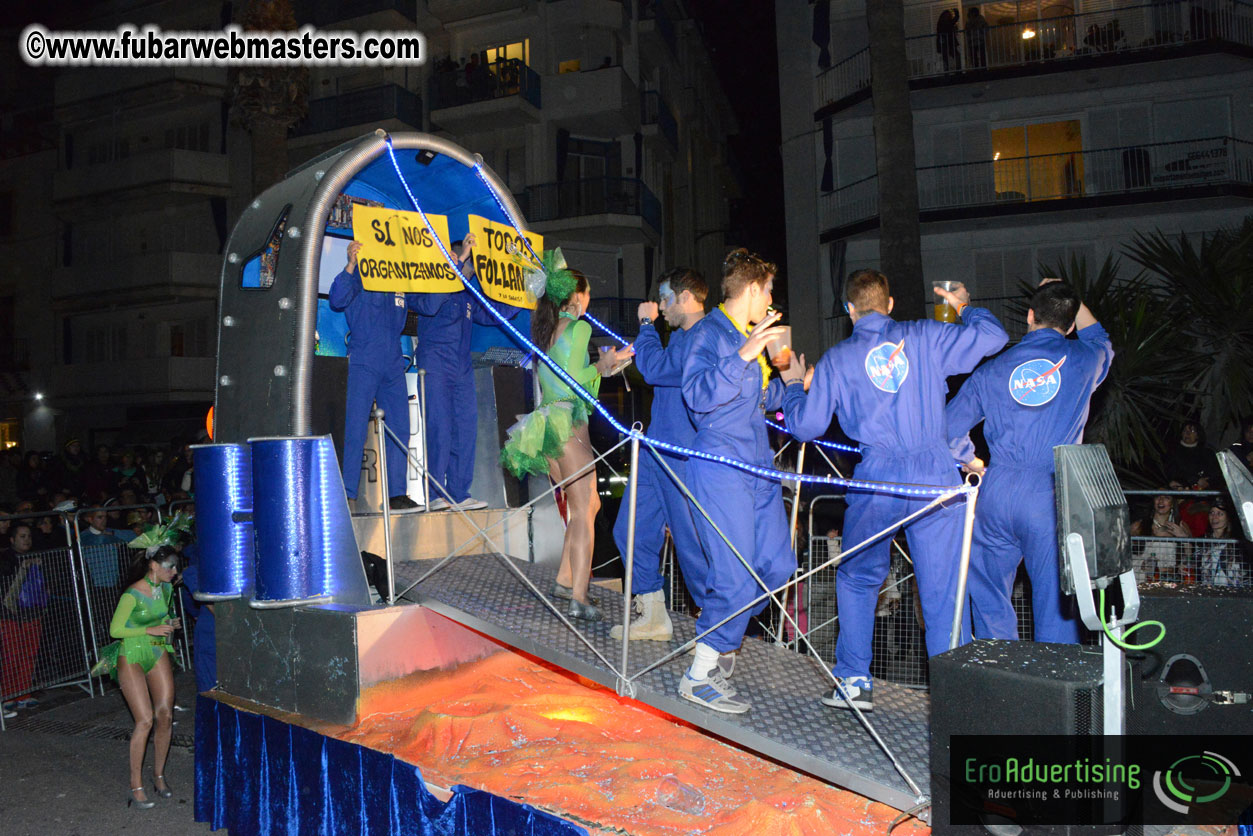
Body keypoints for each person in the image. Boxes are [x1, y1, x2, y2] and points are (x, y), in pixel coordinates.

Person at [781, 269, 1007, 711]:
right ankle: (956, 697)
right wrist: (963, 303)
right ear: (889, 304)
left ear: (849, 311)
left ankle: (854, 682)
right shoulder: (926, 334)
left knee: (858, 577)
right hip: (934, 474)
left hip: (877, 477)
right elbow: (994, 336)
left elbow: (805, 427)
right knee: (944, 590)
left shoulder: (837, 359)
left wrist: (792, 386)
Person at [945, 279, 1114, 643]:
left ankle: (1001, 680)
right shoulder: (1084, 360)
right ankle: (1052, 689)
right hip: (1051, 493)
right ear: (1069, 326)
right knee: (1056, 600)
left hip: (998, 487)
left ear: (1029, 316)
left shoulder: (994, 368)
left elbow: (949, 428)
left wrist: (970, 459)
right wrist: (1071, 298)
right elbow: (1100, 338)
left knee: (988, 593)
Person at [677, 248, 794, 715]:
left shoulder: (754, 336)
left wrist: (793, 379)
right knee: (734, 573)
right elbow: (697, 397)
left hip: (758, 465)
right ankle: (699, 675)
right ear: (751, 289)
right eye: (768, 290)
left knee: (778, 566)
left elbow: (763, 404)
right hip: (721, 464)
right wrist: (743, 355)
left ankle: (721, 641)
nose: (771, 299)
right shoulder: (709, 334)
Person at [501, 256, 631, 621]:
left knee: (586, 507)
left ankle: (564, 580)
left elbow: (562, 379)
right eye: (587, 293)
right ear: (578, 296)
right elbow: (577, 382)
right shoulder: (578, 329)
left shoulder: (546, 331)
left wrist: (599, 372)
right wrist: (604, 367)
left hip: (546, 427)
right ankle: (579, 596)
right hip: (569, 426)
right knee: (584, 510)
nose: (589, 299)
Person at [610, 268, 710, 642]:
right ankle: (652, 616)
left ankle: (718, 629)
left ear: (686, 297)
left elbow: (654, 369)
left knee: (691, 545)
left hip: (682, 455)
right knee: (630, 530)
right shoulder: (685, 336)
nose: (661, 306)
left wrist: (646, 324)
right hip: (656, 448)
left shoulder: (703, 335)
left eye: (666, 299)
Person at [409, 234, 520, 511]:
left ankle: (459, 491)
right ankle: (436, 493)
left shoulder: (467, 294)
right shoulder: (430, 284)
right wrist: (460, 266)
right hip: (434, 361)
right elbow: (429, 306)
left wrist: (522, 294)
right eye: (461, 257)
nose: (467, 264)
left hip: (460, 366)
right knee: (440, 427)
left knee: (466, 427)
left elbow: (494, 312)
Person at [92, 524, 184, 809]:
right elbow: (116, 630)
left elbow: (163, 617)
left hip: (156, 651)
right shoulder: (132, 593)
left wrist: (168, 624)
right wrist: (150, 630)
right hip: (131, 654)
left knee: (165, 715)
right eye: (169, 567)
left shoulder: (166, 588)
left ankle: (158, 776)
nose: (174, 572)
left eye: (175, 567)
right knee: (144, 720)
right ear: (154, 565)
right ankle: (136, 783)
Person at [329, 239, 424, 510]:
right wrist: (351, 264)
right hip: (363, 357)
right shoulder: (358, 275)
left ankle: (396, 494)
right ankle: (347, 492)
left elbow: (426, 304)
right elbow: (336, 300)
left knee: (400, 428)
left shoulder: (398, 278)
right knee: (354, 427)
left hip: (393, 360)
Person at [1, 524, 46, 716]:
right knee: (11, 656)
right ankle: (8, 695)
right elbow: (7, 594)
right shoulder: (5, 560)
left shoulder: (37, 557)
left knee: (29, 655)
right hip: (10, 617)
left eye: (28, 536)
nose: (26, 540)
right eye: (22, 536)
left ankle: (23, 694)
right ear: (12, 539)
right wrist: (23, 569)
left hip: (32, 615)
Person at [1131, 494, 1192, 582]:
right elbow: (1123, 552)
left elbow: (1190, 555)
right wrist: (1140, 563)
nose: (1161, 500)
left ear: (1172, 504)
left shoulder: (1180, 526)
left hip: (1169, 579)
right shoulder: (1139, 525)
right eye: (1157, 497)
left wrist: (1183, 537)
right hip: (1142, 577)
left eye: (1166, 497)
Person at [1196, 497, 1249, 587]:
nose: (1214, 517)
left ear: (1228, 517)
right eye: (1212, 513)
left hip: (1235, 591)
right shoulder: (1203, 540)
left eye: (1220, 514)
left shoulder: (1238, 541)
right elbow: (1194, 561)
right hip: (1208, 590)